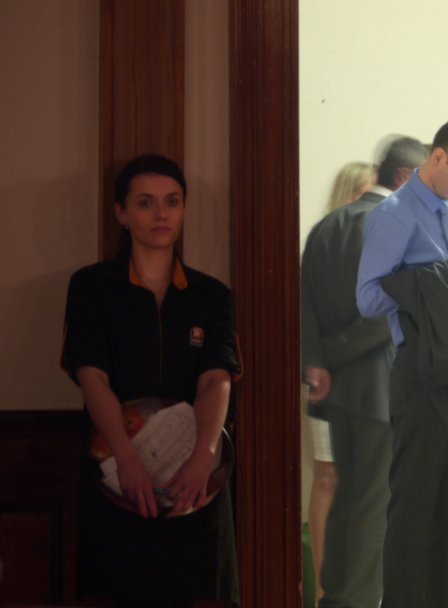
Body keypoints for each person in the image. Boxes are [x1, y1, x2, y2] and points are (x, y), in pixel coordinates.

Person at [61, 154, 242, 607]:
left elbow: (216, 379)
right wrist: (127, 459)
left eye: (172, 201)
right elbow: (92, 377)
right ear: (121, 213)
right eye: (145, 202)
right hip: (118, 474)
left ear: (183, 209)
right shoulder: (91, 288)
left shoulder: (211, 295)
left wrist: (203, 457)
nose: (161, 214)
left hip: (194, 480)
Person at [301, 137, 428, 608]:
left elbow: (305, 302)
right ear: (406, 176)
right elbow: (385, 311)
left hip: (334, 393)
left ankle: (335, 597)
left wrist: (317, 362)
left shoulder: (327, 226)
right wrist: (335, 356)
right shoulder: (398, 225)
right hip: (383, 388)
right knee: (376, 509)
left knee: (346, 503)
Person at [357, 119, 448, 608]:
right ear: (437, 158)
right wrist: (426, 283)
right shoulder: (394, 215)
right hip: (418, 371)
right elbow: (367, 297)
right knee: (414, 506)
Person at [304, 159, 377, 602]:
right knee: (328, 476)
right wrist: (316, 363)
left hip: (366, 389)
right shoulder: (326, 241)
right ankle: (322, 585)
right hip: (329, 385)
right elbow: (306, 308)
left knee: (363, 486)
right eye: (362, 195)